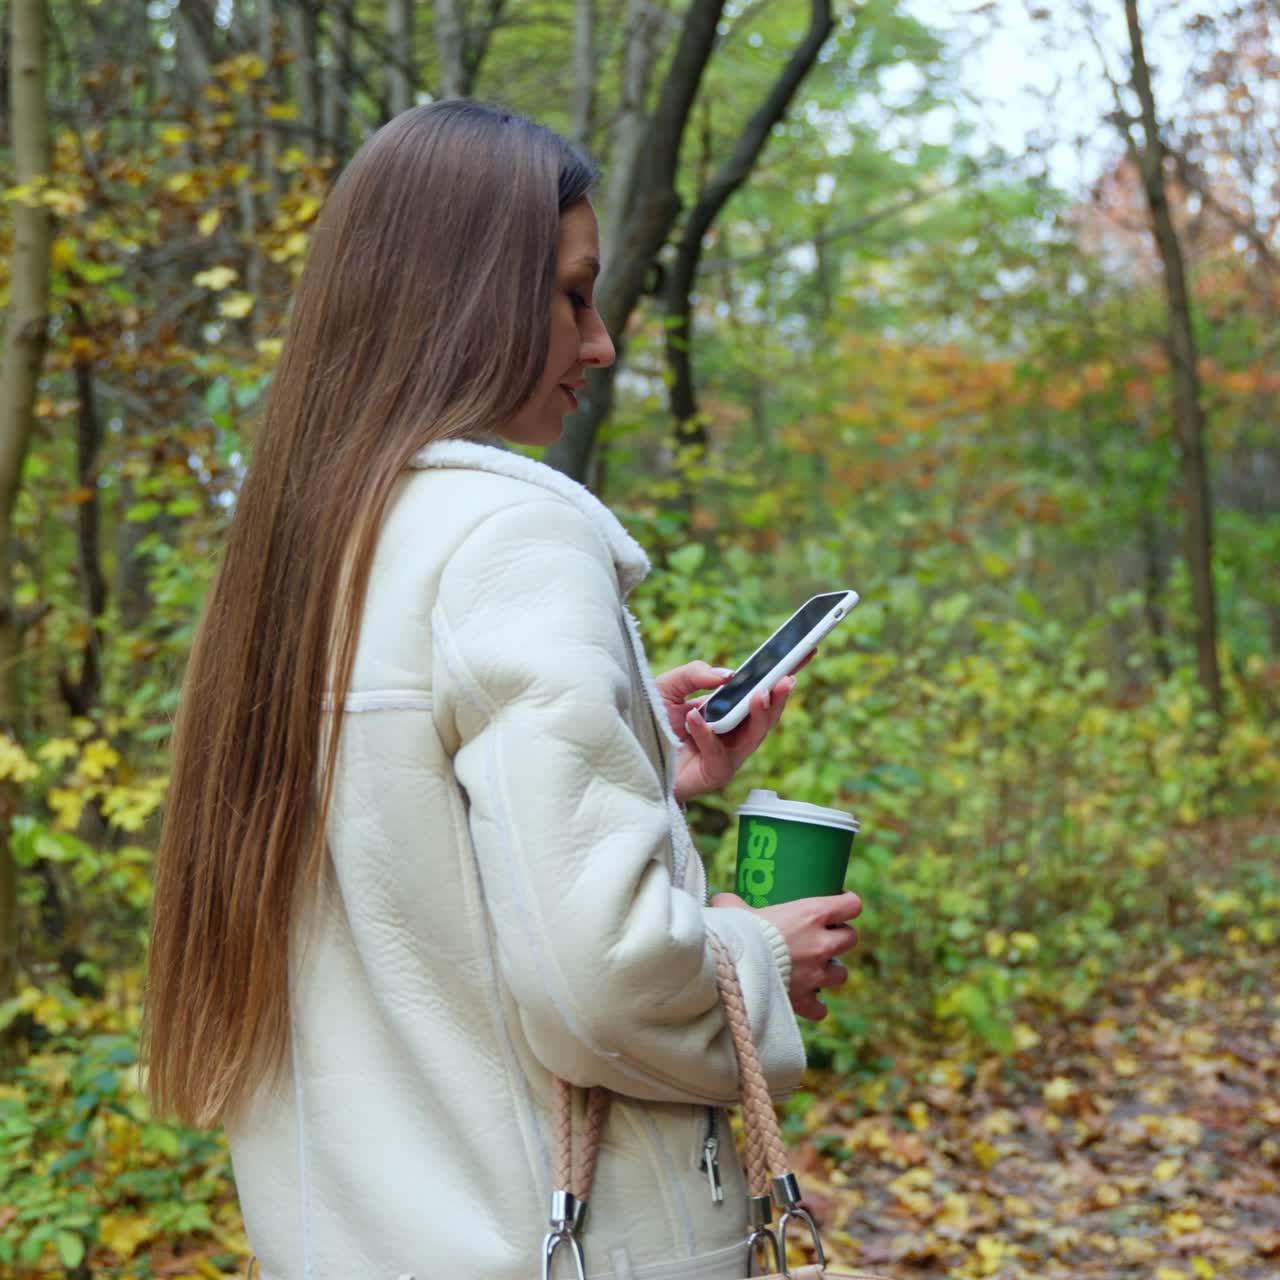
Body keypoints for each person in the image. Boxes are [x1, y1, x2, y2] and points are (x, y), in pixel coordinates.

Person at [143, 100, 862, 1280]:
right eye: (574, 294)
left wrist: (646, 768)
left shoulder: (300, 555)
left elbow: (418, 898)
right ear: (465, 295)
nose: (601, 341)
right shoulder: (513, 539)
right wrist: (758, 955)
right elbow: (602, 987)